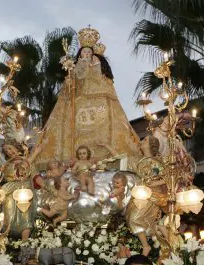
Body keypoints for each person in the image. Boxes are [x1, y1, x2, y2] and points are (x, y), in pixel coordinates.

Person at [34, 26, 142, 166]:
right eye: (84, 51)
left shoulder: (97, 64)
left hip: (97, 98)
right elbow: (73, 82)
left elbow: (100, 79)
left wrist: (90, 67)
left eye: (89, 52)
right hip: (78, 99)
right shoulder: (76, 65)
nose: (86, 54)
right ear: (80, 53)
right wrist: (71, 74)